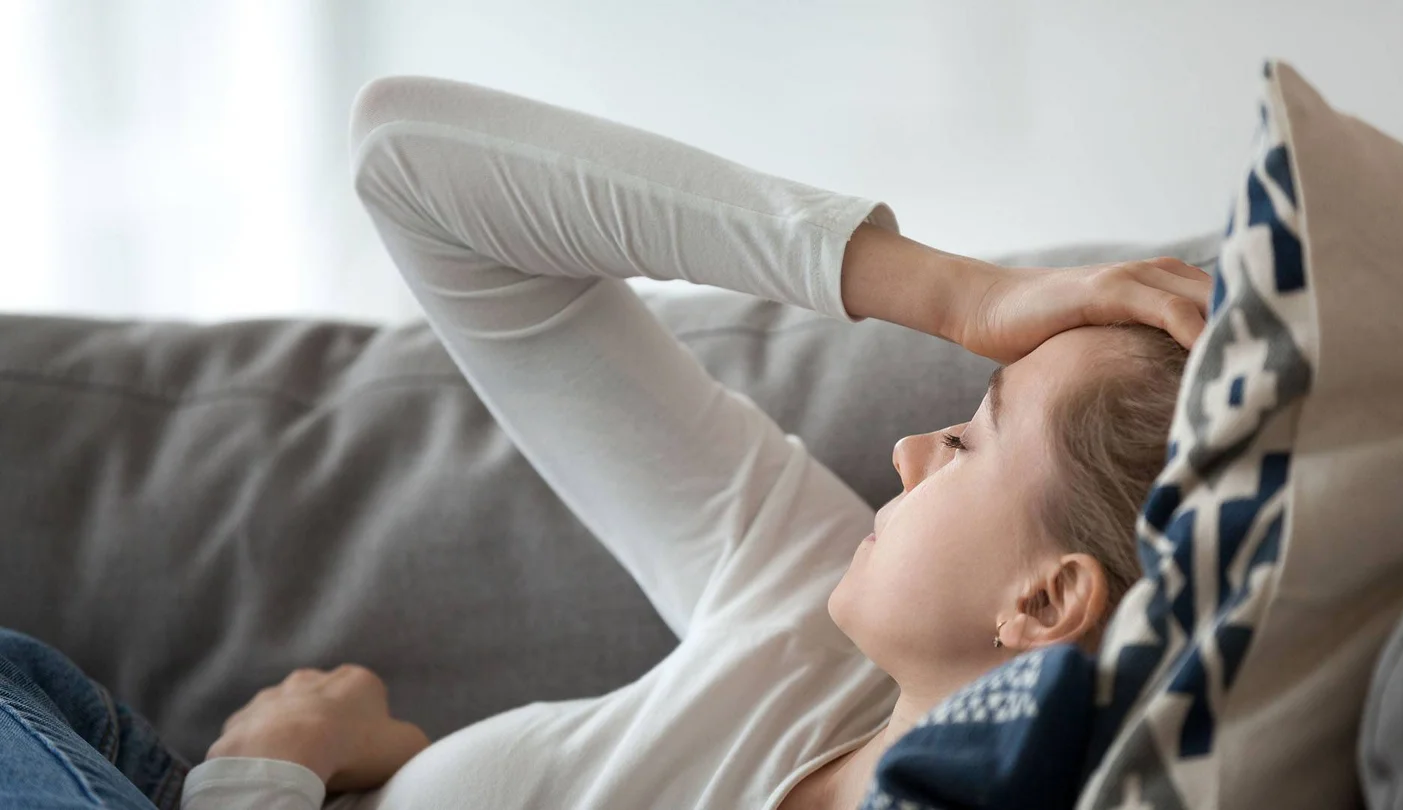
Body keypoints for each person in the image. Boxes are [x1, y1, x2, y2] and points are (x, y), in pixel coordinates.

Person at [0, 76, 1209, 810]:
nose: (903, 450)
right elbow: (408, 163)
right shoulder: (794, 606)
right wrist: (952, 293)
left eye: (968, 436)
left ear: (1045, 601)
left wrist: (267, 768)